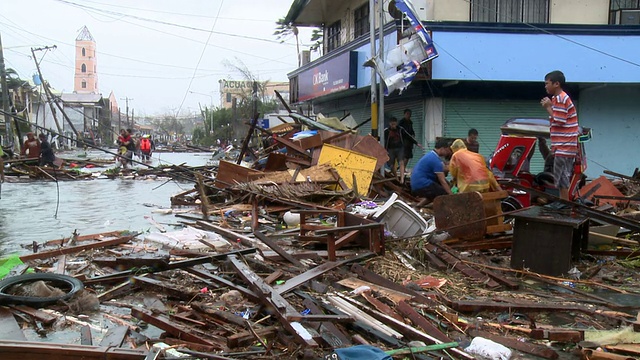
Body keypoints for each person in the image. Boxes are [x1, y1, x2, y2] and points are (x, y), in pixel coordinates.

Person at [540, 70, 579, 200]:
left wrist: (548, 107)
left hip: (564, 146)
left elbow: (560, 120)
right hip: (563, 146)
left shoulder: (561, 98)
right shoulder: (557, 98)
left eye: (547, 83)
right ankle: (564, 202)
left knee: (562, 177)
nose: (545, 86)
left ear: (556, 84)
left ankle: (564, 203)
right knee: (561, 177)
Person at [410, 138, 452, 203]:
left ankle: (419, 205)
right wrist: (451, 195)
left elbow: (443, 168)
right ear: (442, 148)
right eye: (447, 150)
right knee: (444, 195)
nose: (447, 153)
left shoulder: (430, 155)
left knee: (437, 189)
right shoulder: (435, 160)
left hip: (415, 185)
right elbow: (442, 181)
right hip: (422, 185)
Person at [384, 117, 406, 183]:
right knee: (391, 164)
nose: (393, 125)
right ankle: (396, 177)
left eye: (394, 124)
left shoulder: (400, 129)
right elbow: (382, 138)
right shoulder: (386, 131)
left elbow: (408, 136)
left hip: (400, 148)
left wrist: (416, 143)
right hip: (390, 149)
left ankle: (402, 179)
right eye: (392, 124)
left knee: (401, 162)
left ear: (396, 123)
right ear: (390, 124)